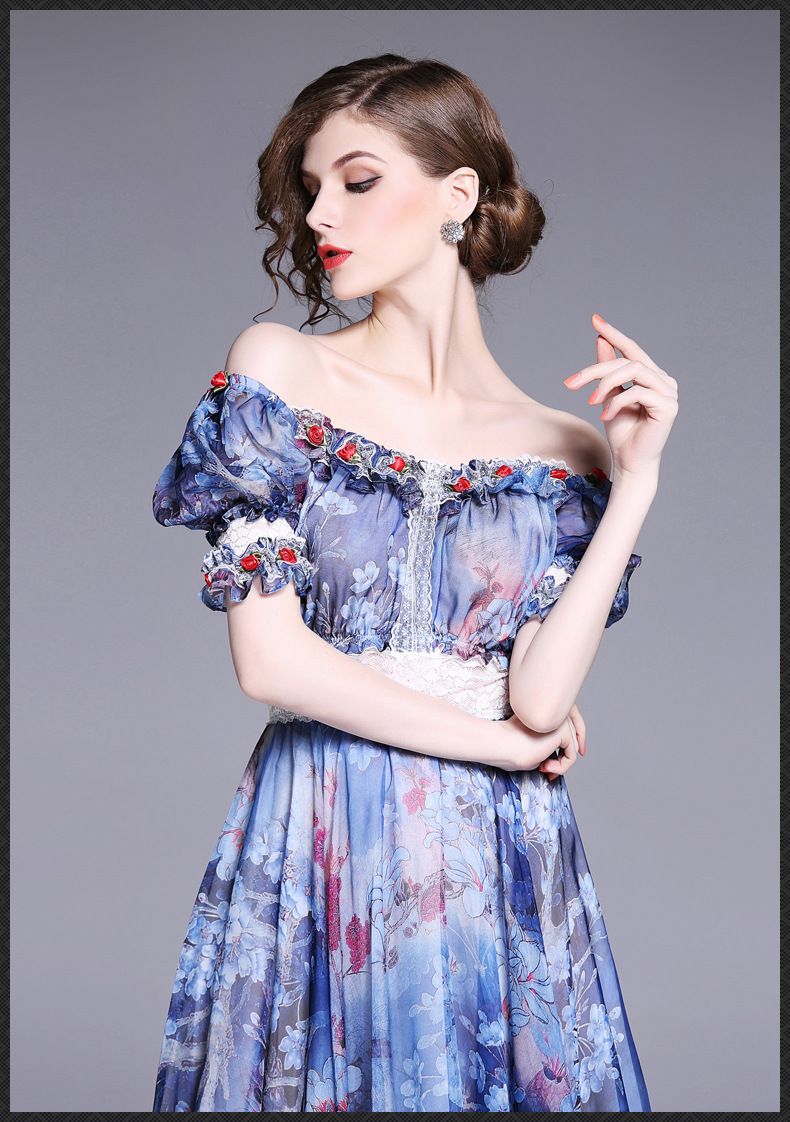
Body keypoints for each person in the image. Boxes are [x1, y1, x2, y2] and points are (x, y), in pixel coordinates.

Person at [151, 54, 677, 1112]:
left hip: (499, 853)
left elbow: (540, 698)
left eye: (356, 181)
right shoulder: (280, 370)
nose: (319, 215)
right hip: (325, 828)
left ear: (457, 194)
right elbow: (271, 662)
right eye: (310, 189)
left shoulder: (563, 447)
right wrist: (499, 745)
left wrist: (636, 481)